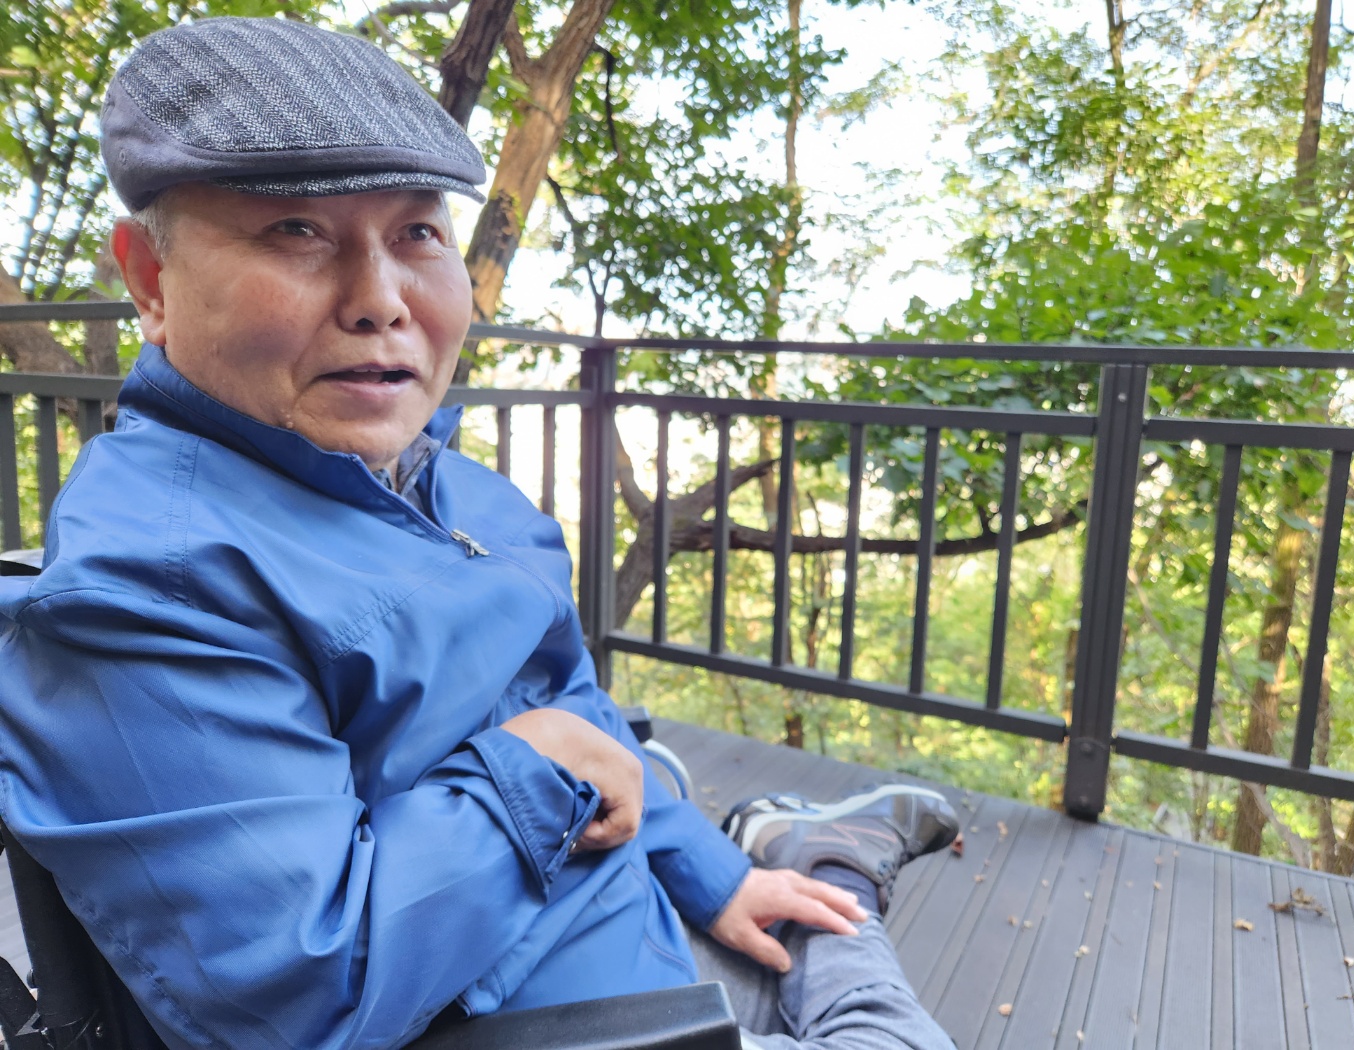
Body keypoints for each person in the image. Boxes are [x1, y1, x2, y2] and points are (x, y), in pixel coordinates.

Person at [0, 17, 959, 1050]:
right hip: (558, 1025)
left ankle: (800, 857)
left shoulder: (459, 490)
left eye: (418, 233)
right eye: (296, 231)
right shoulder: (149, 587)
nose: (380, 301)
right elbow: (298, 995)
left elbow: (576, 710)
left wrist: (710, 873)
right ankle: (832, 857)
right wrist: (540, 770)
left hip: (631, 945)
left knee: (807, 924)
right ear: (150, 279)